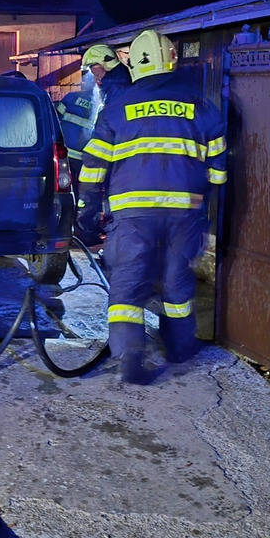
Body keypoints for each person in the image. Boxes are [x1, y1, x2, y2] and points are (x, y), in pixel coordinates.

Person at [75, 29, 227, 384]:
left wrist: (85, 214)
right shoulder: (202, 106)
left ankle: (130, 358)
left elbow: (94, 169)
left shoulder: (116, 107)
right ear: (171, 59)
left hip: (131, 217)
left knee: (128, 283)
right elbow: (219, 174)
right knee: (176, 282)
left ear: (135, 63)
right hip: (184, 214)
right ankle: (178, 347)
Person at [55, 43, 131, 185]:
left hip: (86, 156)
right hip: (83, 155)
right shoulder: (115, 85)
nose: (95, 77)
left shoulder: (116, 87)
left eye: (94, 71)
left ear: (103, 64)